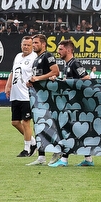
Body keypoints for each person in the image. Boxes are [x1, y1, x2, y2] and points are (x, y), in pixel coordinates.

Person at [48, 39, 92, 168]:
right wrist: (59, 80)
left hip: (77, 104)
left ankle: (64, 159)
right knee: (79, 131)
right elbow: (69, 81)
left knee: (70, 130)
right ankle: (88, 159)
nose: (58, 52)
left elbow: (86, 78)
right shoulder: (68, 64)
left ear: (68, 50)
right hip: (72, 103)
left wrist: (71, 84)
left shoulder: (75, 63)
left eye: (60, 49)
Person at [26, 34, 60, 167]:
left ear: (43, 44)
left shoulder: (48, 56)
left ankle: (57, 151)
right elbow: (38, 76)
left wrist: (39, 79)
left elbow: (55, 71)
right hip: (38, 97)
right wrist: (31, 82)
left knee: (49, 125)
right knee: (39, 125)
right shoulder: (37, 59)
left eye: (36, 43)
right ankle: (41, 156)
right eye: (33, 43)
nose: (33, 45)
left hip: (47, 97)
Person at [6, 35, 37, 157]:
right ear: (21, 45)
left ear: (32, 46)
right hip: (15, 94)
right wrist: (8, 85)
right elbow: (13, 72)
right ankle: (33, 142)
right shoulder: (18, 56)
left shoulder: (34, 58)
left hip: (26, 95)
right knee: (15, 122)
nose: (26, 47)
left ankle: (27, 149)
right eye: (24, 44)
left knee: (25, 122)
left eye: (29, 45)